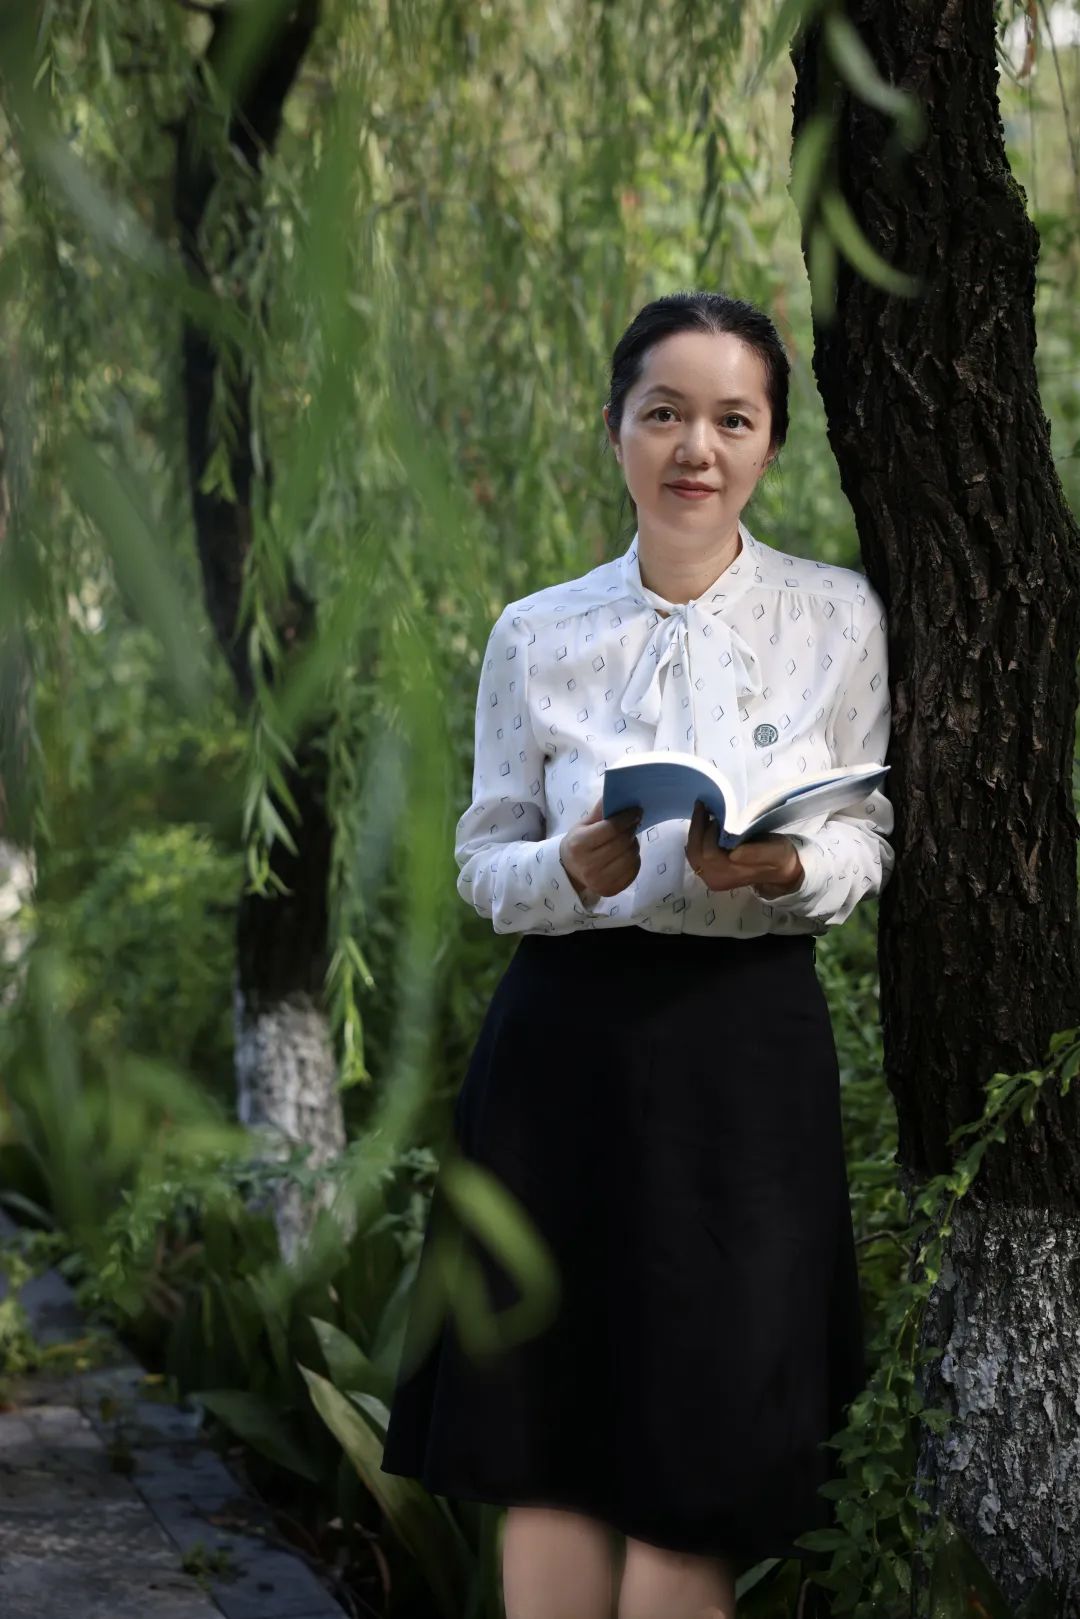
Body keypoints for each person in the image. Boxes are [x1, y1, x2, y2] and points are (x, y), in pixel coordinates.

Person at [379, 290, 895, 1619]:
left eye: (733, 418)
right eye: (664, 413)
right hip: (563, 1052)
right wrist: (566, 869)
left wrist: (788, 868)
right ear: (614, 428)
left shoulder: (837, 616)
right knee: (543, 1439)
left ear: (771, 441)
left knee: (704, 1450)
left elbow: (866, 836)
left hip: (744, 1057)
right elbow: (484, 864)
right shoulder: (536, 632)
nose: (695, 447)